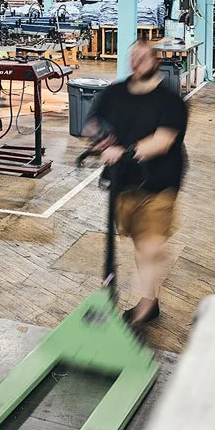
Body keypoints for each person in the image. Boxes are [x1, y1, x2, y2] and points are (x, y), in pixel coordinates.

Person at [84, 42, 188, 329]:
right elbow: (92, 122)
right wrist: (100, 138)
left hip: (159, 185)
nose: (136, 62)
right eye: (132, 58)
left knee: (150, 247)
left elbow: (162, 141)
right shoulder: (115, 93)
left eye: (143, 57)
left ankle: (145, 306)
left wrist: (125, 150)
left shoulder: (170, 101)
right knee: (138, 243)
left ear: (155, 60)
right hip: (124, 184)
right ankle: (150, 300)